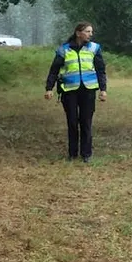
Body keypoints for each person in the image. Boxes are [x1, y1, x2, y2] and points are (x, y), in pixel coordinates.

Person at [44, 22, 107, 163]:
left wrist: (103, 89)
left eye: (91, 32)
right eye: (88, 31)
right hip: (69, 91)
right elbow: (54, 70)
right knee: (72, 122)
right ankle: (72, 153)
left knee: (86, 122)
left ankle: (86, 154)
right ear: (78, 33)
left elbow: (101, 70)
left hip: (88, 90)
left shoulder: (94, 48)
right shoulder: (63, 50)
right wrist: (49, 88)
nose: (91, 34)